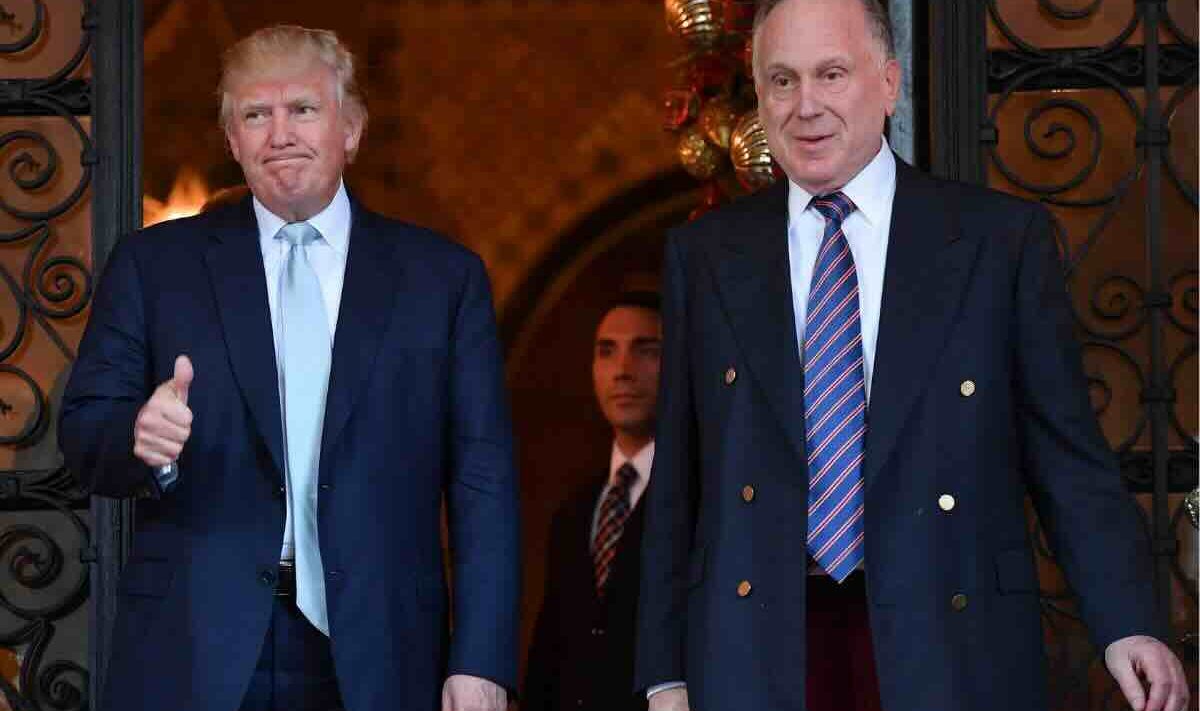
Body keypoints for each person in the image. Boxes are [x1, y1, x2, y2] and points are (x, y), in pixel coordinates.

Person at [634, 2, 1189, 711]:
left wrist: (1127, 623)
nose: (806, 106)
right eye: (782, 80)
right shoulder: (707, 255)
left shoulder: (997, 241)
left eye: (832, 74)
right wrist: (665, 674)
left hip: (951, 642)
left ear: (890, 84)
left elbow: (1066, 457)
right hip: (759, 649)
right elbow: (678, 484)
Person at [59, 25, 518, 711]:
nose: (280, 134)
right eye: (255, 114)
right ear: (232, 139)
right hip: (194, 645)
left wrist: (480, 660)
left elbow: (482, 479)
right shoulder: (155, 267)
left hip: (379, 649)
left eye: (302, 109)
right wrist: (137, 435)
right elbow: (82, 431)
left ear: (351, 129)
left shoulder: (441, 279)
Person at [524, 292, 663, 711]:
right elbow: (549, 656)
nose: (622, 370)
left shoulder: (704, 500)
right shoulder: (573, 512)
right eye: (607, 351)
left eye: (645, 350)